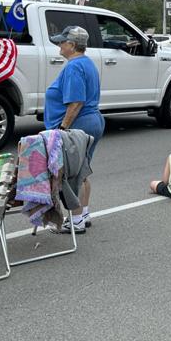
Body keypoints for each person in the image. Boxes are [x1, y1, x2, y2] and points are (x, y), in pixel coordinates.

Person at [46, 26, 104, 234]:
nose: (59, 46)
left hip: (78, 125)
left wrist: (62, 129)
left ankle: (77, 219)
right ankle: (84, 214)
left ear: (71, 45)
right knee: (82, 171)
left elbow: (76, 102)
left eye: (62, 42)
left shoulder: (73, 67)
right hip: (91, 122)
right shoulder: (86, 63)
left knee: (69, 175)